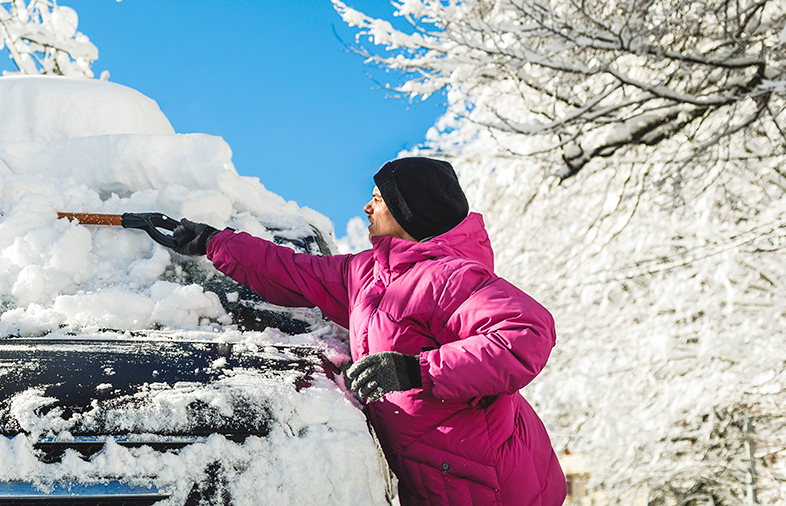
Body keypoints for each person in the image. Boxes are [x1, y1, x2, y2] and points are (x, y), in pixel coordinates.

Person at [136, 157, 566, 506]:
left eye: (378, 199)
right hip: (436, 481)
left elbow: (526, 334)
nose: (367, 208)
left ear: (408, 211)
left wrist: (416, 371)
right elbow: (289, 270)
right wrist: (211, 241)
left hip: (491, 484)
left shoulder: (451, 277)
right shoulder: (368, 273)